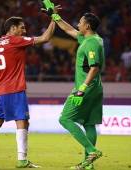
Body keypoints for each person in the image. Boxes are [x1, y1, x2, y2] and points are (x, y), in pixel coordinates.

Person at [0, 16, 55, 168]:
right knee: (22, 121)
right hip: (14, 88)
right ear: (12, 28)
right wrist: (54, 19)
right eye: (21, 27)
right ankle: (22, 160)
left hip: (0, 90)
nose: (24, 30)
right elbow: (46, 38)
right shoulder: (16, 40)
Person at [43, 1, 104, 169]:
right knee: (89, 123)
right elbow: (68, 29)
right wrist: (54, 16)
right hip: (96, 88)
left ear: (88, 25)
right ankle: (88, 164)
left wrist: (82, 89)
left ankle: (91, 150)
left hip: (86, 87)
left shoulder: (91, 43)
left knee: (65, 119)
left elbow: (94, 67)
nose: (78, 24)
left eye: (81, 22)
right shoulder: (92, 39)